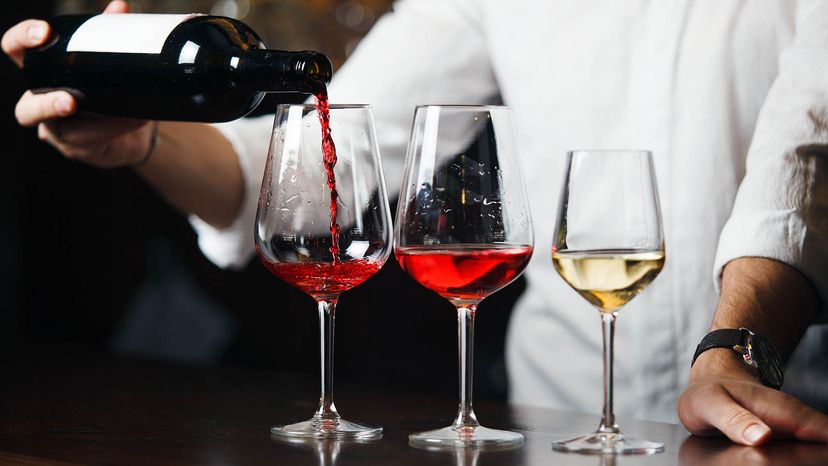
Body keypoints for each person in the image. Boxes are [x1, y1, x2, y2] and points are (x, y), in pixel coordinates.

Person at [5, 0, 828, 445]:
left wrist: (734, 351)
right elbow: (298, 180)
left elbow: (806, 146)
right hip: (557, 428)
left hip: (786, 424)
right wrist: (145, 137)